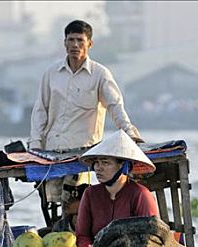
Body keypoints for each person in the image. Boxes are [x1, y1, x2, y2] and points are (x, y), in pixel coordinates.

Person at [28, 19, 144, 203]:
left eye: (80, 40)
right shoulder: (51, 73)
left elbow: (115, 105)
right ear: (65, 43)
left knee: (77, 199)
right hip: (52, 151)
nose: (75, 45)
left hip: (83, 153)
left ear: (89, 43)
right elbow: (40, 110)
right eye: (71, 40)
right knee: (51, 199)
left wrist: (129, 131)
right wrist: (35, 145)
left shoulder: (100, 74)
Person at [75, 130, 159, 247]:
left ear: (123, 166)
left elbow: (151, 237)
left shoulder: (141, 194)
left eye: (105, 162)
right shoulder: (90, 194)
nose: (98, 167)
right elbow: (82, 235)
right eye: (96, 162)